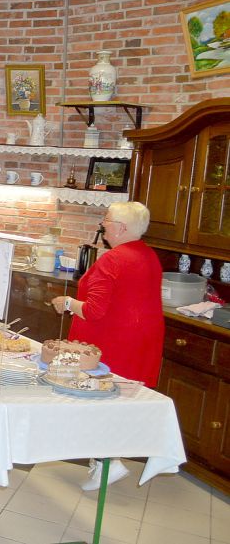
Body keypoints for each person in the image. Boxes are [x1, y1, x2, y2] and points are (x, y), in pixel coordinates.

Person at [51, 201, 163, 491]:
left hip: (112, 344)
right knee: (118, 403)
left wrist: (66, 303)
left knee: (99, 403)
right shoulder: (149, 255)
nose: (103, 224)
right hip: (140, 342)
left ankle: (106, 464)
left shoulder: (113, 259)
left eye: (107, 220)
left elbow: (94, 310)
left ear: (122, 228)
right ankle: (104, 461)